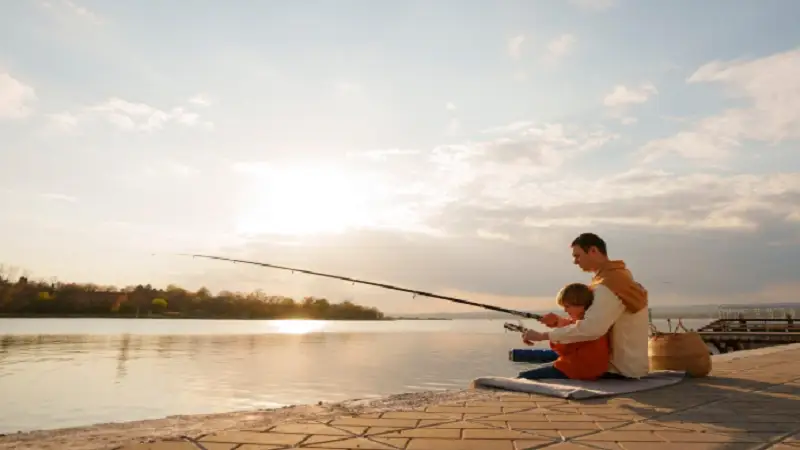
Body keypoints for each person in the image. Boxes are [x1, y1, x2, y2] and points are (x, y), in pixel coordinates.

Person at [522, 233, 650, 379]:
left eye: (577, 256)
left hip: (619, 372)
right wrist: (560, 322)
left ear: (593, 251)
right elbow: (594, 320)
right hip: (631, 368)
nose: (575, 261)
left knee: (524, 378)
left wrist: (543, 336)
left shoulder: (609, 285)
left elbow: (592, 328)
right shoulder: (621, 278)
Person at [517, 283, 610, 380]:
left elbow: (563, 350)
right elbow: (571, 325)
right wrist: (558, 321)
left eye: (567, 306)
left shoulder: (583, 328)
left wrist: (541, 336)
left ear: (581, 306)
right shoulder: (592, 322)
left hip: (578, 370)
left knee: (523, 376)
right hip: (590, 369)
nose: (565, 310)